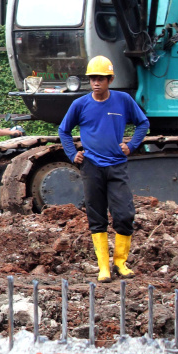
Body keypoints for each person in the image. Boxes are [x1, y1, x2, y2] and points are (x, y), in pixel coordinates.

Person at [58, 56, 149, 283]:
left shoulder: (123, 100)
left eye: (100, 78)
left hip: (117, 166)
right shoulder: (80, 104)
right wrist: (72, 153)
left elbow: (143, 123)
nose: (96, 83)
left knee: (125, 214)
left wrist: (131, 146)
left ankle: (120, 262)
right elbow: (64, 130)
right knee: (96, 217)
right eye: (92, 79)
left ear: (110, 80)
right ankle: (103, 267)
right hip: (92, 167)